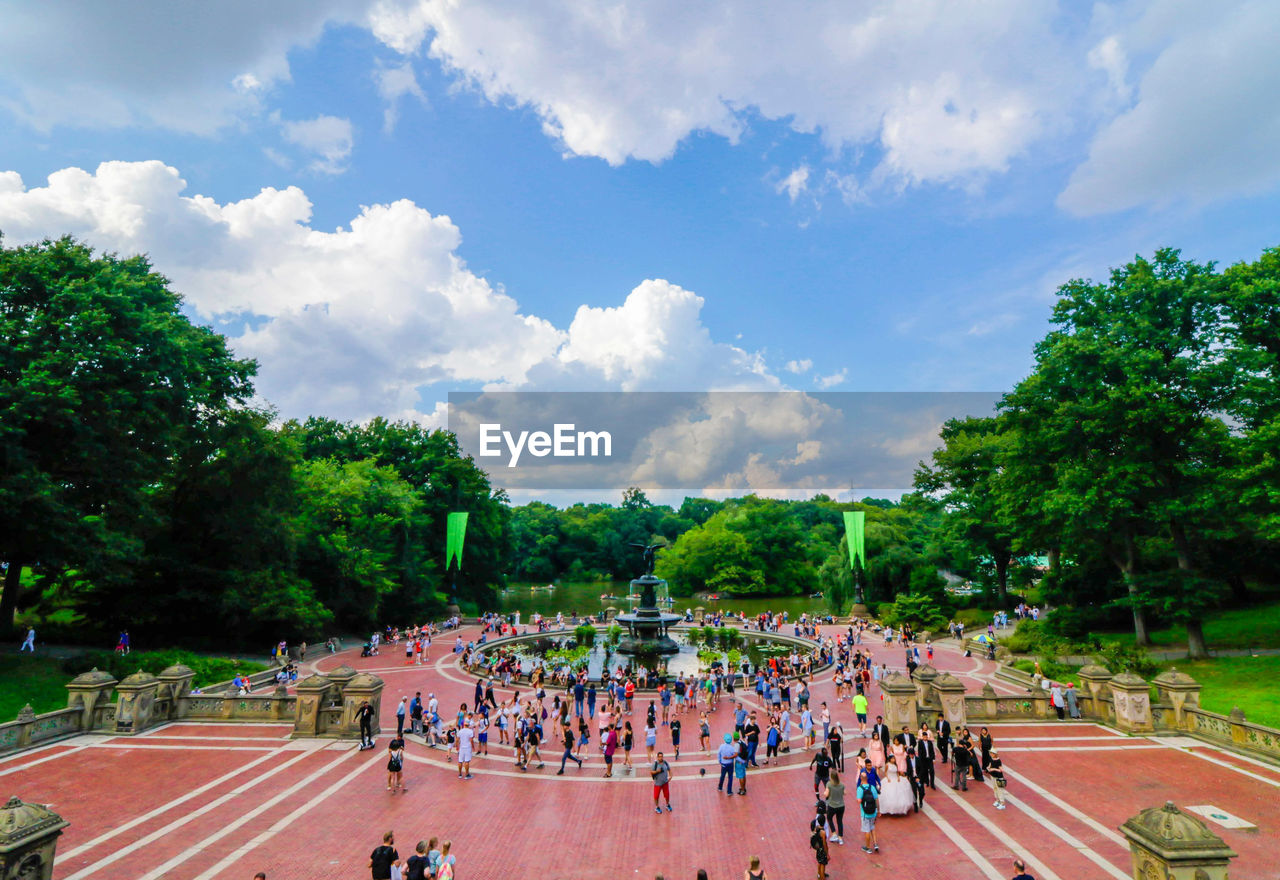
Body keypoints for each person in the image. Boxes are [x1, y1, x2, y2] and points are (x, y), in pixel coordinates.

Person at [856, 769, 880, 854]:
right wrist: (878, 811)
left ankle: (868, 847)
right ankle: (875, 844)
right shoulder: (872, 787)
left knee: (867, 830)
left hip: (865, 813)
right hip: (873, 812)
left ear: (860, 778)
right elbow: (876, 800)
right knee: (872, 828)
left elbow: (859, 801)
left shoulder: (860, 789)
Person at [824, 769, 846, 845]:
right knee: (839, 821)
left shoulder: (829, 784)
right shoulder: (842, 785)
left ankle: (834, 833)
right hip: (841, 805)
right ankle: (840, 838)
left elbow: (826, 794)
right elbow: (845, 793)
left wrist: (825, 793)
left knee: (829, 818)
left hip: (832, 805)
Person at [810, 811, 830, 880]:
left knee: (819, 862)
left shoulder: (817, 828)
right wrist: (827, 853)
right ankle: (822, 877)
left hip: (818, 850)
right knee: (823, 865)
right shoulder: (823, 832)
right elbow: (824, 843)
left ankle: (819, 875)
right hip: (822, 850)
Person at [456, 714, 474, 779]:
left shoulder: (460, 731)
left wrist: (457, 746)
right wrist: (473, 747)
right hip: (467, 747)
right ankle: (467, 774)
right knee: (467, 761)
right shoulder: (470, 731)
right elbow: (471, 740)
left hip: (461, 747)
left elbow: (457, 740)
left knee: (460, 761)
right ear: (468, 725)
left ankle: (460, 774)